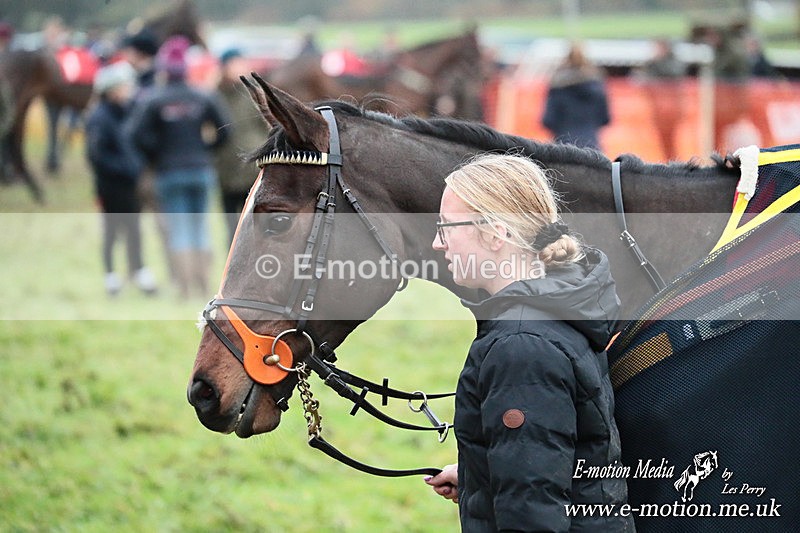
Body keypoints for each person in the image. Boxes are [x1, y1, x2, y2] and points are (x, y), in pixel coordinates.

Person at [425, 154, 633, 532]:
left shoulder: (521, 343)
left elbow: (532, 513)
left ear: (494, 233)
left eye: (446, 227)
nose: (438, 244)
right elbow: (549, 458)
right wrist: (480, 475)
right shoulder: (554, 309)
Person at [128, 36, 229, 299]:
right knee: (201, 228)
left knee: (180, 230)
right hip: (200, 169)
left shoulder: (153, 100)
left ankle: (184, 288)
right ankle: (204, 286)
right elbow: (225, 131)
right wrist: (206, 150)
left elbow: (134, 135)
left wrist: (155, 154)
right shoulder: (202, 96)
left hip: (168, 171)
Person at [85, 61, 157, 296]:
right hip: (110, 187)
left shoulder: (129, 112)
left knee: (134, 229)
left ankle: (139, 272)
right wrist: (127, 169)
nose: (129, 91)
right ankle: (111, 276)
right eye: (124, 87)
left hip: (129, 185)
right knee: (112, 230)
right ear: (112, 90)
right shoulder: (99, 118)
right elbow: (97, 156)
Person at [215, 48, 264, 244]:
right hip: (226, 169)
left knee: (257, 224)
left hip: (252, 169)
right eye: (234, 63)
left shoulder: (255, 93)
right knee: (231, 227)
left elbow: (269, 127)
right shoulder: (216, 95)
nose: (239, 67)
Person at [542, 42, 610, 151]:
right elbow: (605, 119)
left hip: (563, 148)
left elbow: (548, 120)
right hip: (592, 147)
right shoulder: (597, 86)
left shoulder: (557, 86)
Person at [639, 39, 686, 161]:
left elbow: (674, 73)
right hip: (659, 110)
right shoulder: (652, 65)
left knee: (672, 140)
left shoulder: (673, 62)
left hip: (671, 110)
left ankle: (674, 161)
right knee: (662, 140)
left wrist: (656, 62)